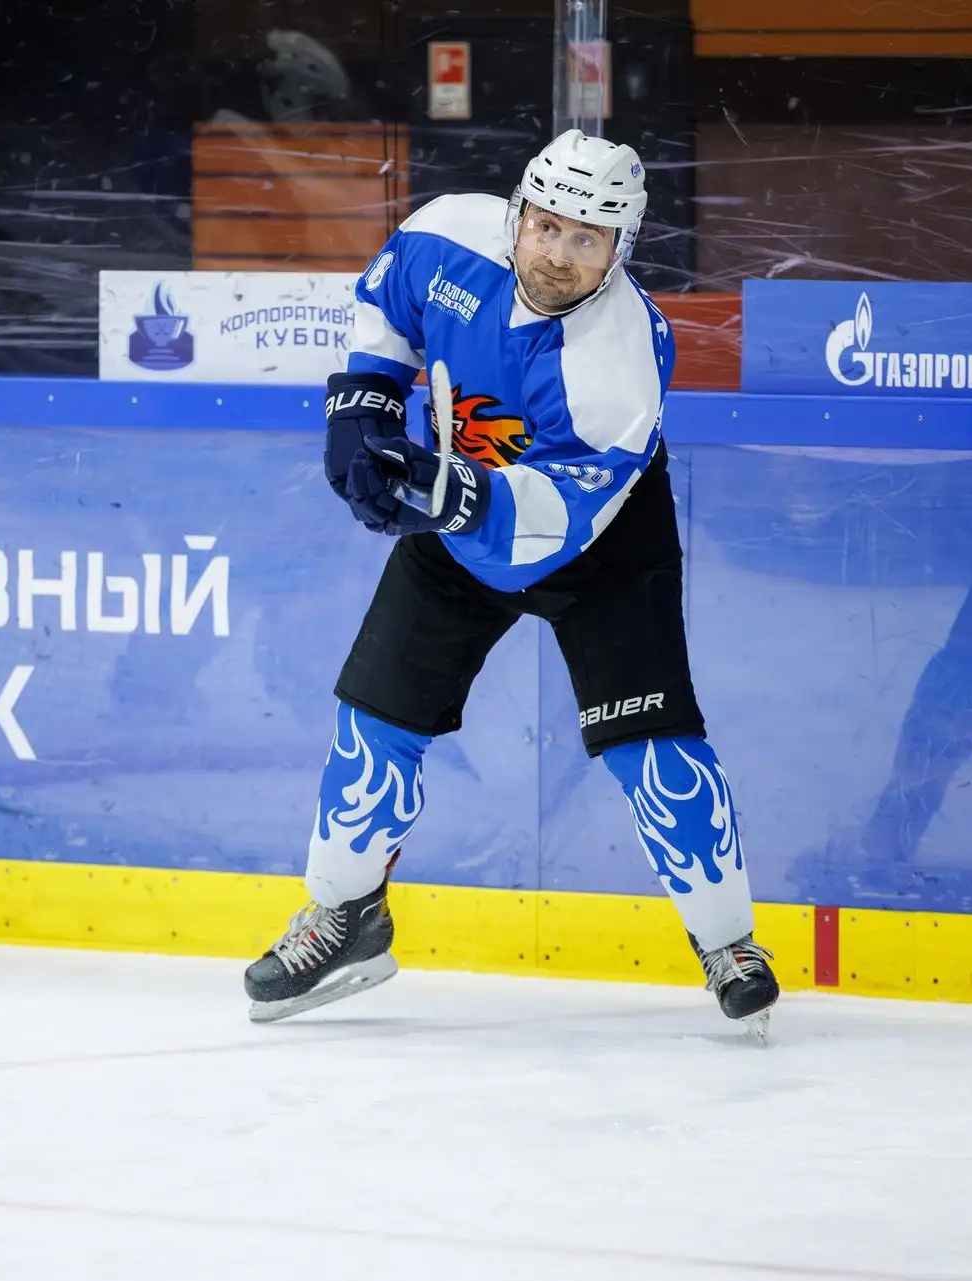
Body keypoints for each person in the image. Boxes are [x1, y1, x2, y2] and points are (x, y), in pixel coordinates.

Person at [242, 129, 781, 1033]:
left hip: (600, 543)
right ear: (518, 213)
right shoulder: (448, 234)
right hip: (456, 507)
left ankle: (727, 942)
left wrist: (443, 491)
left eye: (587, 238)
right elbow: (387, 302)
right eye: (546, 225)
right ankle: (345, 918)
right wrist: (366, 400)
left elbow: (554, 519)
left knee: (653, 749)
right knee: (372, 722)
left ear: (621, 248)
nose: (558, 253)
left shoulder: (620, 355)